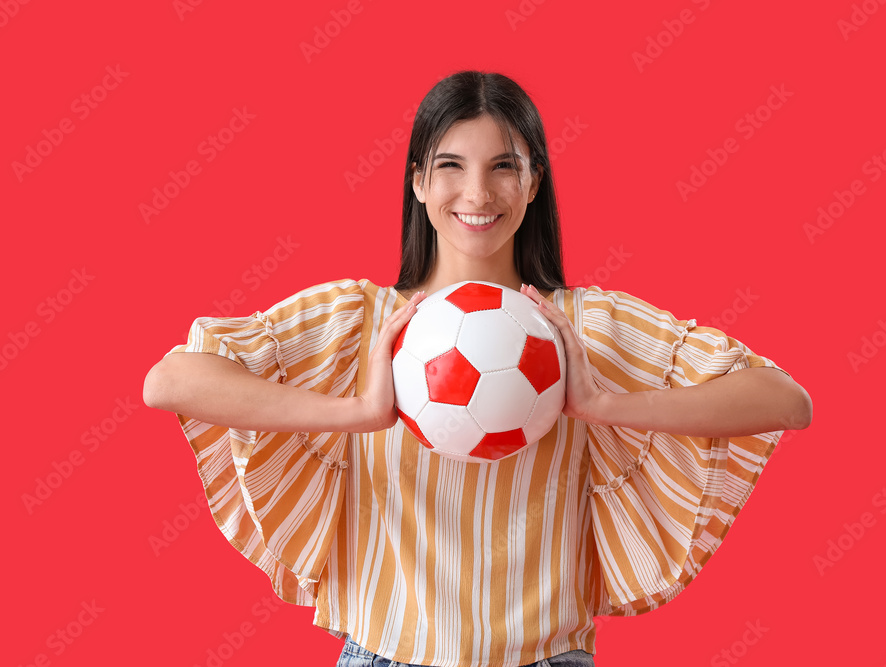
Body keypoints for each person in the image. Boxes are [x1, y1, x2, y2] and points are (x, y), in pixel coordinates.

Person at [143, 70, 812, 667]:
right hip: (385, 654)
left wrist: (601, 402)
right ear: (416, 180)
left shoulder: (582, 326)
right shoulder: (359, 321)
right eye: (450, 165)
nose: (476, 192)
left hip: (546, 657)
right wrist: (356, 412)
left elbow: (784, 399)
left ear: (534, 180)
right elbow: (170, 381)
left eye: (503, 166)